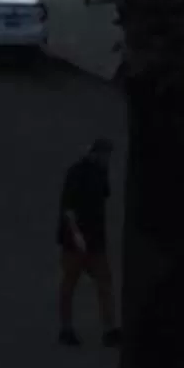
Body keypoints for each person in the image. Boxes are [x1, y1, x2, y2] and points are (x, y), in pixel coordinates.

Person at [55, 136, 119, 348]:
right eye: (105, 154)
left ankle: (105, 329)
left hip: (89, 241)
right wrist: (76, 235)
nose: (108, 159)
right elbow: (69, 209)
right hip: (78, 242)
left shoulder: (96, 173)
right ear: (95, 154)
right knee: (77, 284)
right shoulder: (79, 174)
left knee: (98, 283)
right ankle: (69, 329)